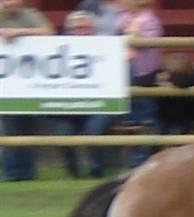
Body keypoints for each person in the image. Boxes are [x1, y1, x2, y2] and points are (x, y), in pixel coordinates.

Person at [0, 0, 55, 182]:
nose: (13, 3)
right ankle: (11, 173)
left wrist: (20, 32)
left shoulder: (29, 14)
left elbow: (49, 31)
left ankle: (26, 173)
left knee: (26, 128)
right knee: (8, 127)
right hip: (5, 83)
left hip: (28, 82)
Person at [53, 10, 112, 178]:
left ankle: (97, 171)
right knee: (62, 135)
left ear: (93, 29)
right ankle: (73, 173)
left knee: (93, 132)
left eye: (86, 28)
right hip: (67, 107)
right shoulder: (56, 49)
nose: (82, 32)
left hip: (99, 104)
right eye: (77, 29)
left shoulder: (107, 47)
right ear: (68, 30)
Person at [116, 0, 162, 167]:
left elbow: (144, 42)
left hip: (142, 73)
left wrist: (131, 34)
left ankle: (144, 160)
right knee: (131, 118)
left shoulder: (149, 20)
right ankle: (136, 160)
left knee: (144, 118)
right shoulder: (123, 17)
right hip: (123, 73)